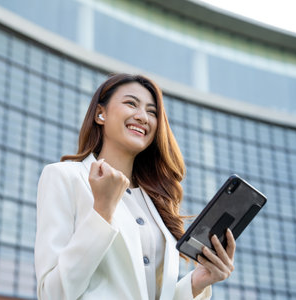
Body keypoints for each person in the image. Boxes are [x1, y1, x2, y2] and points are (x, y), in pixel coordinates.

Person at [35, 73, 235, 300]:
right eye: (131, 103)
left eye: (152, 112)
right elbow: (51, 294)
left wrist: (197, 282)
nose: (143, 117)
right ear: (101, 113)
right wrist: (102, 212)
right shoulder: (64, 177)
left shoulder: (154, 202)